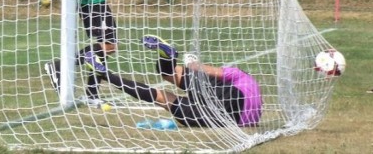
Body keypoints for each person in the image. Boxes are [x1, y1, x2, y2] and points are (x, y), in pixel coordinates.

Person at [83, 35, 263, 127]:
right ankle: (104, 73)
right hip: (239, 112)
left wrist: (192, 62)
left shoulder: (238, 74)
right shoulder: (245, 80)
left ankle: (168, 57)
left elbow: (201, 69)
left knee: (167, 80)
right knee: (164, 95)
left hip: (230, 105)